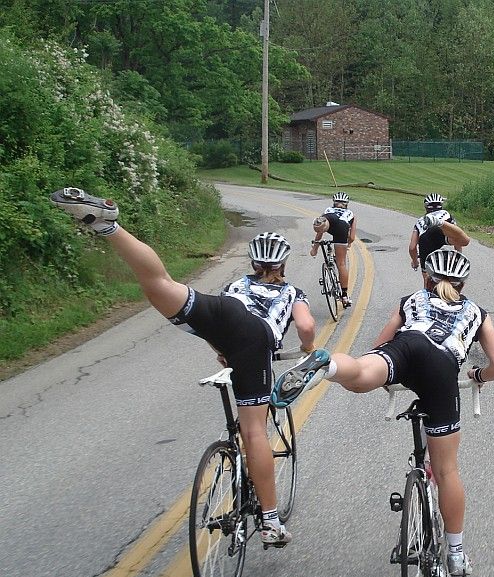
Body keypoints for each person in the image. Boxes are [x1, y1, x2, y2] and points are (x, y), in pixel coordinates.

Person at [49, 187, 318, 548]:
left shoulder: (235, 284)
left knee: (159, 284)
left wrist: (222, 350)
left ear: (254, 263)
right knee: (255, 433)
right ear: (282, 265)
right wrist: (307, 350)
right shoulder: (292, 292)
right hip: (256, 337)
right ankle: (270, 521)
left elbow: (218, 328)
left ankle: (110, 227)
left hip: (219, 315)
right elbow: (305, 327)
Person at [271, 248, 494, 577]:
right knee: (447, 470)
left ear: (426, 277)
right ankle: (455, 555)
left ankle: (329, 365)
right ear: (463, 284)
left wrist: (384, 375)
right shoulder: (478, 313)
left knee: (359, 376)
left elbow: (378, 347)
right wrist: (476, 376)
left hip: (406, 347)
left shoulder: (409, 301)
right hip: (442, 367)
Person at [409, 193, 470, 286]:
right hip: (442, 232)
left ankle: (427, 296)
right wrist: (458, 255)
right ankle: (441, 222)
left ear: (426, 207)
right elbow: (457, 238)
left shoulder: (420, 220)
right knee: (465, 241)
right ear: (441, 205)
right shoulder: (447, 214)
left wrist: (415, 261)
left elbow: (412, 247)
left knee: (427, 279)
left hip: (426, 240)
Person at [310, 191, 356, 308]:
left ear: (334, 203)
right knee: (341, 264)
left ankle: (319, 224)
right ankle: (344, 296)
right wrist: (348, 244)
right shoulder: (350, 214)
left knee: (321, 227)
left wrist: (315, 248)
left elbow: (320, 234)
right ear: (347, 204)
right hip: (343, 226)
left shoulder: (329, 210)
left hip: (330, 219)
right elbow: (352, 237)